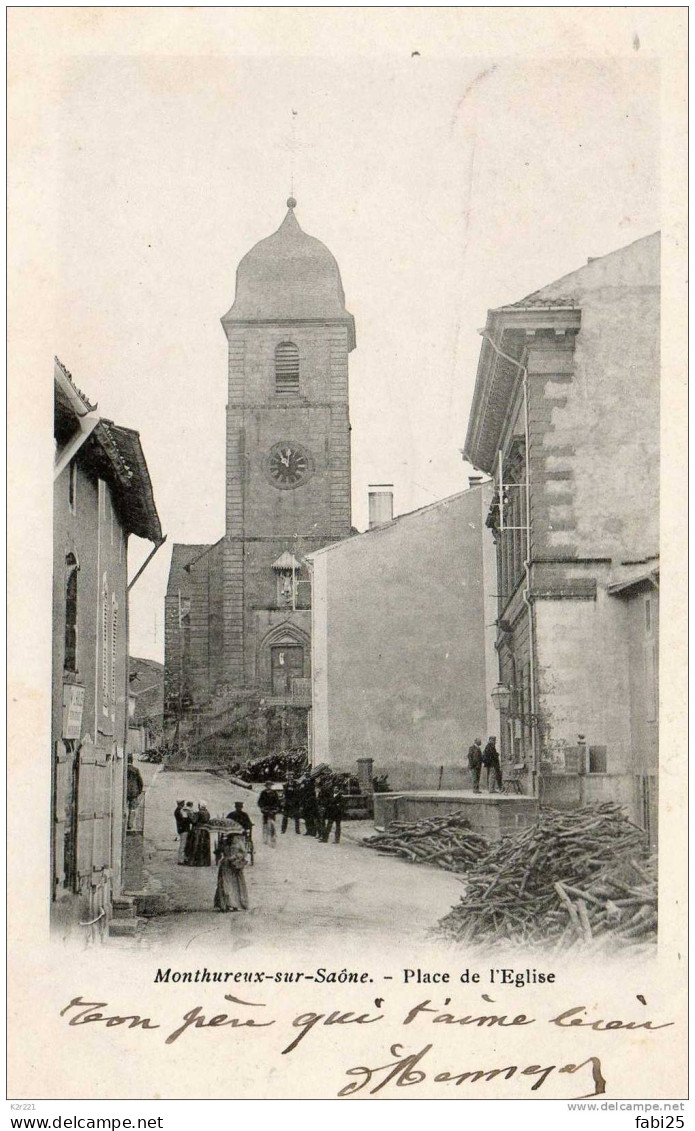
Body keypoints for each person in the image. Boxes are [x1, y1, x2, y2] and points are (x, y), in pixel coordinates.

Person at [214, 832, 249, 912]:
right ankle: (225, 903)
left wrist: (235, 857)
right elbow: (219, 853)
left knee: (235, 884)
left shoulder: (238, 842)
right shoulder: (224, 842)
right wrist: (218, 852)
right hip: (225, 865)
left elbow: (244, 853)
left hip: (234, 865)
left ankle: (234, 903)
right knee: (225, 884)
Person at [185, 801, 212, 866]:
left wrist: (190, 814)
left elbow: (194, 820)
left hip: (198, 830)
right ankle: (204, 862)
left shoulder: (199, 813)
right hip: (205, 830)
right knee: (204, 846)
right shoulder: (207, 813)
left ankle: (195, 862)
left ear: (200, 806)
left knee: (196, 845)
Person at [126, 754, 144, 829]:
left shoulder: (123, 769)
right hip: (133, 793)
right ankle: (130, 825)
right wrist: (139, 791)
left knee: (122, 808)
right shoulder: (136, 770)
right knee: (132, 809)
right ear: (132, 760)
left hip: (124, 792)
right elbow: (140, 782)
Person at [174, 799, 191, 864]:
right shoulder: (178, 811)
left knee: (184, 844)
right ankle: (181, 860)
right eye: (183, 803)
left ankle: (183, 859)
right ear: (180, 804)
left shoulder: (178, 811)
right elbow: (183, 821)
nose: (184, 804)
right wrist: (188, 819)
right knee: (183, 845)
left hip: (182, 829)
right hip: (183, 829)